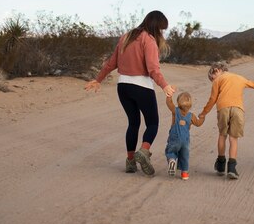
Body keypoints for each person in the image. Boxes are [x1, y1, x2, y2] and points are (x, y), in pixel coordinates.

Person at [85, 10, 176, 176]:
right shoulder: (148, 40)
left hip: (123, 87)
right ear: (156, 26)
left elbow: (111, 63)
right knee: (153, 123)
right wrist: (164, 85)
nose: (162, 33)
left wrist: (98, 79)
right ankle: (143, 151)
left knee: (133, 123)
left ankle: (130, 162)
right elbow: (153, 69)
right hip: (141, 86)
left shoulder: (126, 36)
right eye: (161, 29)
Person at [199, 62, 254, 179]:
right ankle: (232, 168)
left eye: (211, 78)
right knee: (233, 139)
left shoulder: (218, 80)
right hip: (238, 109)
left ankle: (221, 165)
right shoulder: (240, 78)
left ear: (216, 70)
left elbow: (212, 99)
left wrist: (203, 113)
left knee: (222, 135)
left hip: (223, 108)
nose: (212, 81)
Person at [164, 92, 205, 180]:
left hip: (174, 137)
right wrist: (202, 117)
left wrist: (169, 96)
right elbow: (198, 123)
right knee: (184, 155)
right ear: (190, 105)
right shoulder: (191, 116)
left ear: (178, 102)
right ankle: (185, 174)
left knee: (171, 151)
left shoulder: (175, 111)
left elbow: (169, 103)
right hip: (185, 140)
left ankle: (172, 160)